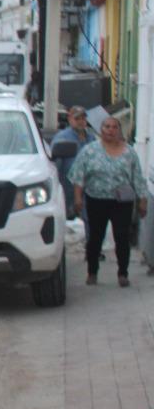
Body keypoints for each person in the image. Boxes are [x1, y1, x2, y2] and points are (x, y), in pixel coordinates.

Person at [70, 114, 146, 287]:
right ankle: (92, 271)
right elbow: (78, 177)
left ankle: (123, 273)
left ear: (119, 130)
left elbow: (138, 178)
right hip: (97, 199)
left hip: (122, 201)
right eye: (107, 127)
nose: (110, 130)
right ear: (101, 130)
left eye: (114, 127)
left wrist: (143, 201)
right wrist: (77, 199)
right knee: (96, 236)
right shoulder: (90, 151)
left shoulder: (129, 152)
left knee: (121, 236)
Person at [52, 106, 95, 220]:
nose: (81, 122)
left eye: (83, 118)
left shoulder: (92, 138)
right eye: (77, 119)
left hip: (88, 188)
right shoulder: (62, 138)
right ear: (70, 119)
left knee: (90, 220)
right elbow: (54, 164)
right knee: (67, 221)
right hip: (68, 187)